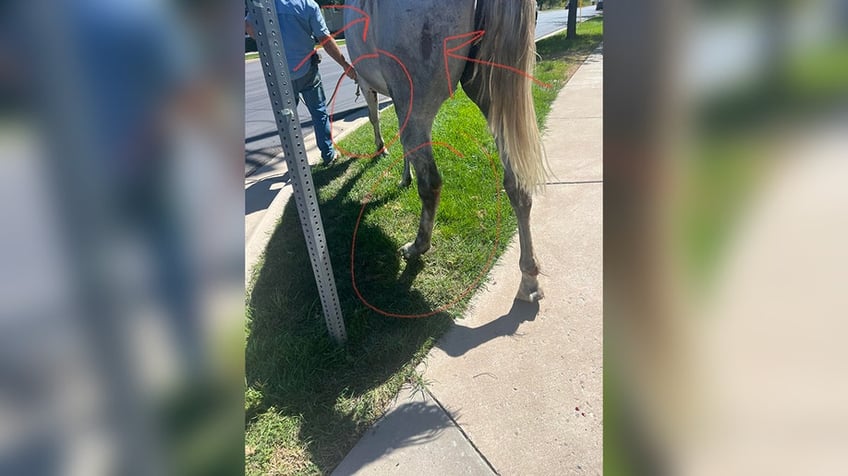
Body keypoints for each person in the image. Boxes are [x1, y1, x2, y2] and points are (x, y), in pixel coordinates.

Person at [246, 0, 356, 165]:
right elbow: (325, 39)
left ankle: (294, 162)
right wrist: (346, 66)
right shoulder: (308, 5)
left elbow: (248, 25)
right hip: (307, 71)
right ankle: (328, 154)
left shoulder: (264, 6)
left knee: (287, 118)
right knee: (319, 113)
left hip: (279, 74)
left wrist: (264, 39)